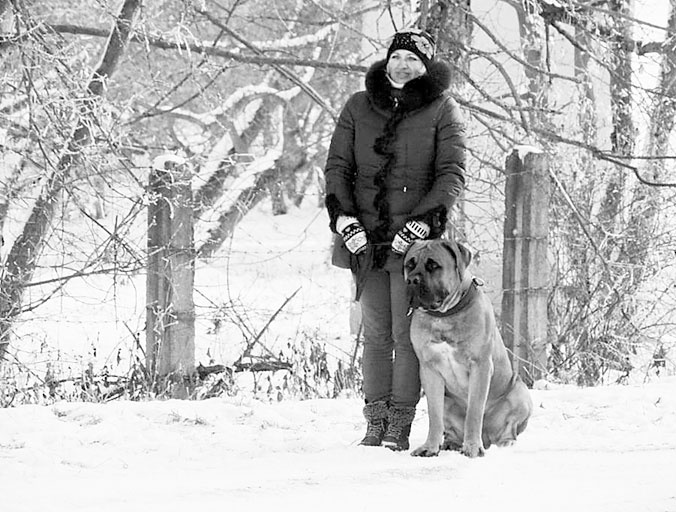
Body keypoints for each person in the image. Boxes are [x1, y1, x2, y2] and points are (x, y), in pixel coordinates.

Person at [324, 28, 467, 451]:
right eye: (397, 57)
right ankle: (375, 420)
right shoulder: (357, 106)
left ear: (426, 67)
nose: (403, 65)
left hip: (415, 248)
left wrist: (425, 222)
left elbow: (452, 174)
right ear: (388, 61)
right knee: (375, 333)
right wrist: (345, 220)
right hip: (365, 240)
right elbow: (337, 167)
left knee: (408, 336)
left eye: (413, 60)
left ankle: (399, 425)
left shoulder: (443, 109)